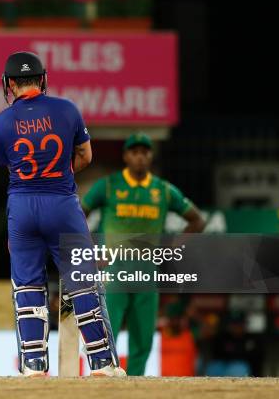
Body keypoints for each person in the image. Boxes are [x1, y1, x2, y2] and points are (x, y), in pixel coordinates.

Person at [0, 51, 125, 377]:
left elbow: (10, 166)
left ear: (9, 84)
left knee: (27, 285)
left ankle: (34, 365)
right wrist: (60, 175)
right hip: (62, 203)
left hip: (22, 206)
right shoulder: (67, 110)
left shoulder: (2, 121)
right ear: (43, 79)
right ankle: (103, 364)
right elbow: (86, 155)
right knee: (83, 282)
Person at [82, 132, 206, 376]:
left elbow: (197, 221)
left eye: (145, 152)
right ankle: (105, 378)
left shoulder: (163, 190)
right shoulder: (108, 186)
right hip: (114, 268)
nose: (140, 157)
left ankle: (136, 383)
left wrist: (171, 249)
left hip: (147, 270)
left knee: (144, 335)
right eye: (135, 152)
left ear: (151, 156)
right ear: (126, 156)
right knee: (109, 329)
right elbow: (78, 214)